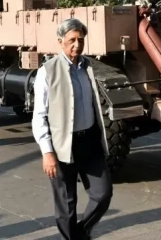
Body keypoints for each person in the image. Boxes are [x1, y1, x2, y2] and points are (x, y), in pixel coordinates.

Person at [32, 18, 113, 240]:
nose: (77, 45)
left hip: (89, 142)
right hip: (62, 147)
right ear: (60, 42)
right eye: (72, 40)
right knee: (66, 207)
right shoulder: (47, 71)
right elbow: (39, 116)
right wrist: (47, 152)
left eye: (81, 40)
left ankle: (81, 232)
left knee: (103, 194)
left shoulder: (88, 67)